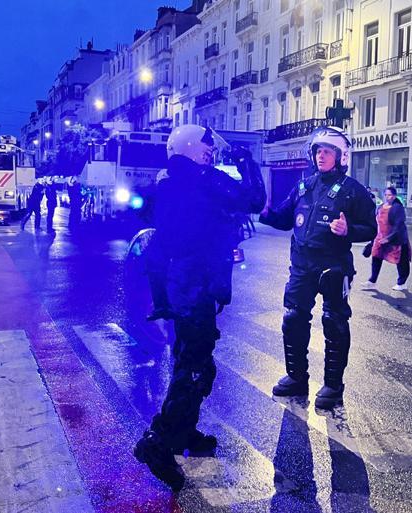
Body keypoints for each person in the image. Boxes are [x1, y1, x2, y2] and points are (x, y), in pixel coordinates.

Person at [133, 125, 265, 491]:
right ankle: (158, 442)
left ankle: (185, 431)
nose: (210, 152)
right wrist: (247, 161)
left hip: (176, 286)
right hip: (196, 286)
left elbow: (147, 215)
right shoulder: (206, 179)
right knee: (195, 367)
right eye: (206, 147)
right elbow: (254, 199)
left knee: (187, 358)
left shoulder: (169, 180)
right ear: (191, 148)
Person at [259, 126, 376, 411]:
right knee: (293, 318)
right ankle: (296, 377)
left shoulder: (354, 191)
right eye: (318, 151)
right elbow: (285, 219)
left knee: (334, 322)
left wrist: (349, 230)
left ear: (341, 156)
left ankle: (333, 385)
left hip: (333, 267)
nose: (321, 156)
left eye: (327, 152)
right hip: (301, 266)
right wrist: (260, 211)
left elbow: (370, 229)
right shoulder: (304, 185)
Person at [365, 187, 411, 291]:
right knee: (376, 257)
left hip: (396, 238)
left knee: (401, 260)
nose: (387, 197)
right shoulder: (381, 206)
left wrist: (389, 238)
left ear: (394, 196)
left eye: (389, 195)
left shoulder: (398, 208)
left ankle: (402, 283)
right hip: (381, 236)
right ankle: (372, 281)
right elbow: (377, 222)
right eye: (385, 195)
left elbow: (399, 225)